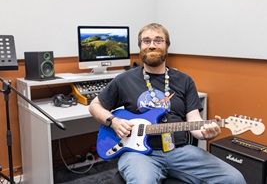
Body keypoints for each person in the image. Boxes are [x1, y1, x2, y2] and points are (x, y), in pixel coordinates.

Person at [89, 23, 246, 184]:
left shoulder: (184, 80)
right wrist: (113, 121)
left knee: (234, 179)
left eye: (158, 40)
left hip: (179, 151)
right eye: (146, 41)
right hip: (139, 154)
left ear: (167, 46)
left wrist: (205, 133)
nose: (152, 45)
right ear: (140, 46)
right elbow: (94, 106)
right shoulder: (124, 80)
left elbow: (194, 120)